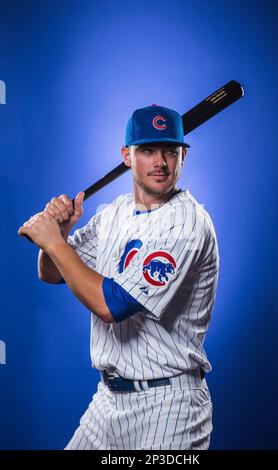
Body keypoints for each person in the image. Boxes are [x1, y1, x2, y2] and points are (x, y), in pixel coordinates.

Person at [18, 104, 219, 450]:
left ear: (183, 155)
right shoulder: (114, 213)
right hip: (108, 399)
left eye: (170, 150)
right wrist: (61, 234)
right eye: (147, 150)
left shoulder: (187, 223)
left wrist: (51, 239)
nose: (160, 162)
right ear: (127, 155)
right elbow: (50, 272)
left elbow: (110, 305)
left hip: (168, 407)